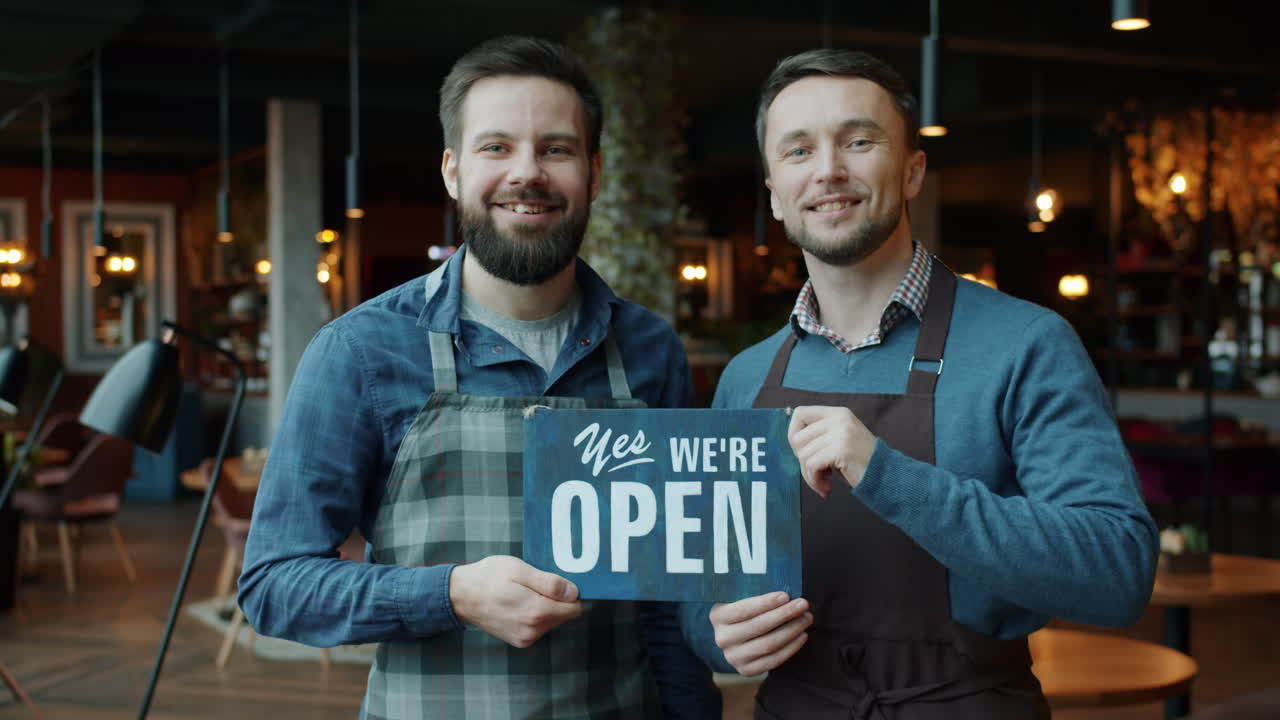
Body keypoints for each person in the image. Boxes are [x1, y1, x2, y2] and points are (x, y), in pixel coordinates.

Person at [239, 35, 720, 720]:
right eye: (497, 147)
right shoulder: (361, 351)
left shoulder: (649, 350)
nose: (528, 173)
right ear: (454, 171)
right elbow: (274, 586)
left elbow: (669, 599)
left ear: (595, 173)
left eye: (556, 148)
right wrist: (451, 594)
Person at [685, 48, 1159, 718]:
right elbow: (702, 587)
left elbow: (1117, 574)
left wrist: (883, 471)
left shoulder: (1027, 344)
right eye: (797, 151)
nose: (828, 170)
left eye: (858, 140)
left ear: (911, 172)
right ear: (775, 195)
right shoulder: (746, 378)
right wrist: (714, 633)